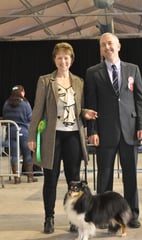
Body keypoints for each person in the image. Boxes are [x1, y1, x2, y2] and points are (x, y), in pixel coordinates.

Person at [27, 42, 97, 234]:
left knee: (73, 180)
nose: (63, 61)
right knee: (50, 179)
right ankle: (49, 218)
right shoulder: (45, 81)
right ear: (55, 60)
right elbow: (37, 109)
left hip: (73, 136)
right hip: (52, 136)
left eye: (66, 58)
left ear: (71, 60)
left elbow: (77, 108)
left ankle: (74, 218)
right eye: (59, 58)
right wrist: (32, 135)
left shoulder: (79, 82)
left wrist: (85, 113)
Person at [85, 32, 142, 229]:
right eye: (103, 45)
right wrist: (92, 131)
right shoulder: (93, 72)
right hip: (105, 133)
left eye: (110, 44)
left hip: (130, 132)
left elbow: (140, 100)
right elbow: (91, 103)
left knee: (131, 176)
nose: (107, 47)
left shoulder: (133, 69)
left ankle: (132, 215)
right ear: (101, 49)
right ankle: (104, 218)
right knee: (104, 177)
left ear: (119, 46)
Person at [2, 85, 38, 184]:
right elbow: (30, 117)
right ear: (22, 92)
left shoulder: (6, 103)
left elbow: (4, 117)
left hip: (11, 132)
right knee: (27, 155)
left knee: (14, 155)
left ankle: (16, 178)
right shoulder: (25, 103)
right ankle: (30, 177)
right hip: (24, 132)